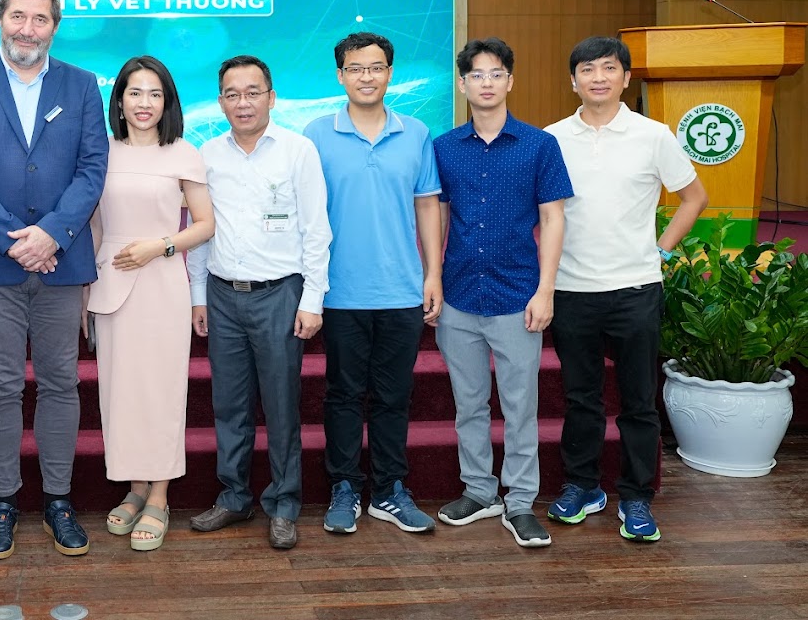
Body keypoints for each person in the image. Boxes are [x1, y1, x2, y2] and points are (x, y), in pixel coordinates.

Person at [0, 0, 109, 560]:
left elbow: (92, 168)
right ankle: (3, 500)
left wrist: (52, 233)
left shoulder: (82, 85)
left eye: (40, 19)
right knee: (1, 385)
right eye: (18, 16)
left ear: (55, 27)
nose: (27, 29)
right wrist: (14, 241)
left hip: (62, 260)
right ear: (0, 18)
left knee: (61, 382)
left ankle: (58, 499)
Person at [544, 36, 707, 543]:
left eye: (609, 68)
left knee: (638, 401)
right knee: (581, 398)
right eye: (587, 69)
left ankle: (636, 496)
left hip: (635, 287)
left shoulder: (653, 135)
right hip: (572, 288)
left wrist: (661, 251)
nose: (598, 77)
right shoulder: (551, 138)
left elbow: (694, 197)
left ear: (626, 78)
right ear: (573, 80)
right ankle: (582, 486)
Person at [431, 38, 573, 548]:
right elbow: (437, 215)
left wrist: (546, 290)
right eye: (477, 74)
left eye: (496, 74)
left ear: (510, 81)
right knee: (468, 404)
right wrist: (433, 278)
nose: (486, 83)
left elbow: (553, 218)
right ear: (463, 84)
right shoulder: (444, 147)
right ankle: (478, 490)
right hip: (459, 295)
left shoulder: (539, 145)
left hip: (518, 294)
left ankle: (520, 501)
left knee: (520, 406)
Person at [186, 55, 331, 551]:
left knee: (281, 404)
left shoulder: (298, 150)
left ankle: (284, 503)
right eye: (232, 94)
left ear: (272, 97)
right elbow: (200, 232)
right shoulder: (207, 154)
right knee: (229, 404)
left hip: (280, 294)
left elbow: (317, 230)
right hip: (223, 295)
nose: (242, 103)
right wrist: (198, 295)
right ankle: (234, 496)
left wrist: (312, 299)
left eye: (253, 92)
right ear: (220, 101)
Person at [303, 32, 442, 537]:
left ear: (390, 73)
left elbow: (427, 204)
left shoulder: (416, 132)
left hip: (401, 289)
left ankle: (389, 490)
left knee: (393, 396)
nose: (367, 77)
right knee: (342, 394)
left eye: (376, 67)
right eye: (356, 68)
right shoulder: (316, 134)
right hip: (339, 291)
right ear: (340, 75)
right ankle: (344, 487)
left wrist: (432, 273)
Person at [86, 56, 215, 552]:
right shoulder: (100, 150)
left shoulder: (184, 152)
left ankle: (159, 496)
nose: (145, 103)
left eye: (155, 94)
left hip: (161, 279)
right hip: (111, 280)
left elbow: (204, 224)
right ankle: (135, 487)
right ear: (119, 101)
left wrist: (160, 246)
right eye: (135, 93)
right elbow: (95, 224)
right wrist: (85, 290)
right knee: (119, 392)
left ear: (168, 102)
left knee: (161, 390)